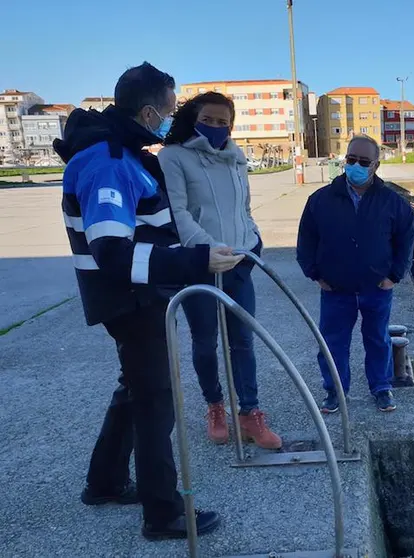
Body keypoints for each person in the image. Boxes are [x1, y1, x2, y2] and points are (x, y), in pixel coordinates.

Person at [53, 62, 240, 541]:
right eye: (170, 111)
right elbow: (112, 251)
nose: (170, 119)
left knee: (133, 389)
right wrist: (193, 262)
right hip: (131, 300)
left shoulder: (124, 153)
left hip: (137, 296)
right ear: (150, 109)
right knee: (157, 402)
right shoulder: (110, 161)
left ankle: (106, 482)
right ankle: (164, 514)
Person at [158, 92, 282, 450]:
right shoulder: (174, 157)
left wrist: (252, 240)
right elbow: (178, 212)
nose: (215, 127)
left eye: (222, 121)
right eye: (208, 120)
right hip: (200, 264)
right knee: (205, 342)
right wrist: (208, 250)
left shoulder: (237, 157)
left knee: (243, 340)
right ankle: (214, 406)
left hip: (240, 263)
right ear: (192, 120)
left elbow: (244, 209)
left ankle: (250, 412)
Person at [297, 135, 414, 413]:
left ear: (375, 165)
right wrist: (314, 274)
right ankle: (335, 391)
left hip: (377, 287)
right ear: (344, 160)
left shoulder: (392, 202)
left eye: (364, 161)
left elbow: (406, 240)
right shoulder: (320, 200)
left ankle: (381, 388)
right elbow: (306, 241)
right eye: (351, 160)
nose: (356, 166)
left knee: (377, 339)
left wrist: (395, 276)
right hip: (336, 289)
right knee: (333, 342)